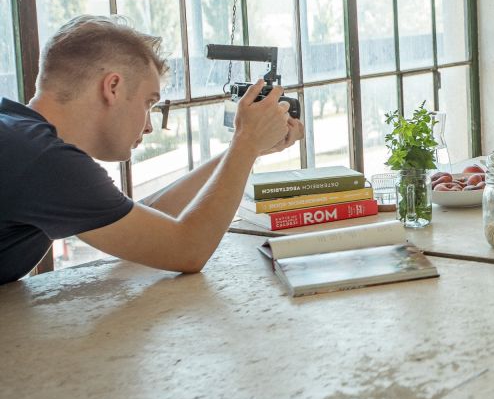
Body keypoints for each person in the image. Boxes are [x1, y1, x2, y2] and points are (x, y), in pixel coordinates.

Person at [0, 15, 303, 285]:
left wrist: (249, 148)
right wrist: (246, 143)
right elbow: (187, 249)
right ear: (113, 87)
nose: (148, 127)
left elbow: (146, 221)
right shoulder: (44, 161)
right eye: (149, 103)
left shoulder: (21, 138)